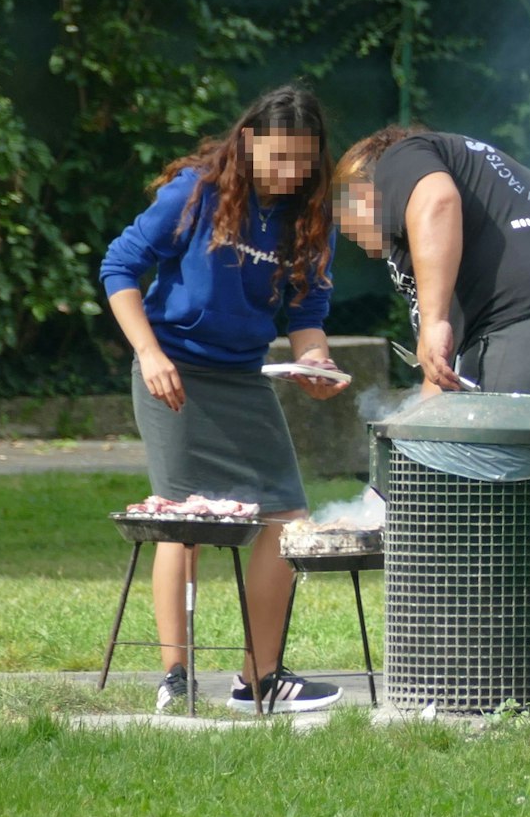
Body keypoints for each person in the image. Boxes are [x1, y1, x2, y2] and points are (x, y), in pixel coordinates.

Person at [99, 83, 349, 713]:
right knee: (183, 520)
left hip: (244, 378)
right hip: (174, 373)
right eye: (279, 157)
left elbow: (307, 317)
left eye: (303, 162)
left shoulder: (311, 217)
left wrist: (314, 363)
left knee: (287, 517)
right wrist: (149, 354)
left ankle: (259, 679)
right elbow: (119, 267)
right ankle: (175, 679)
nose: (290, 174)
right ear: (249, 141)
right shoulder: (196, 192)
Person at [335, 125, 530, 447]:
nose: (347, 233)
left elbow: (438, 200)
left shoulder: (399, 156)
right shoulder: (496, 194)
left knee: (475, 475)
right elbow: (441, 371)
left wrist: (434, 321)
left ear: (361, 188)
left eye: (343, 211)